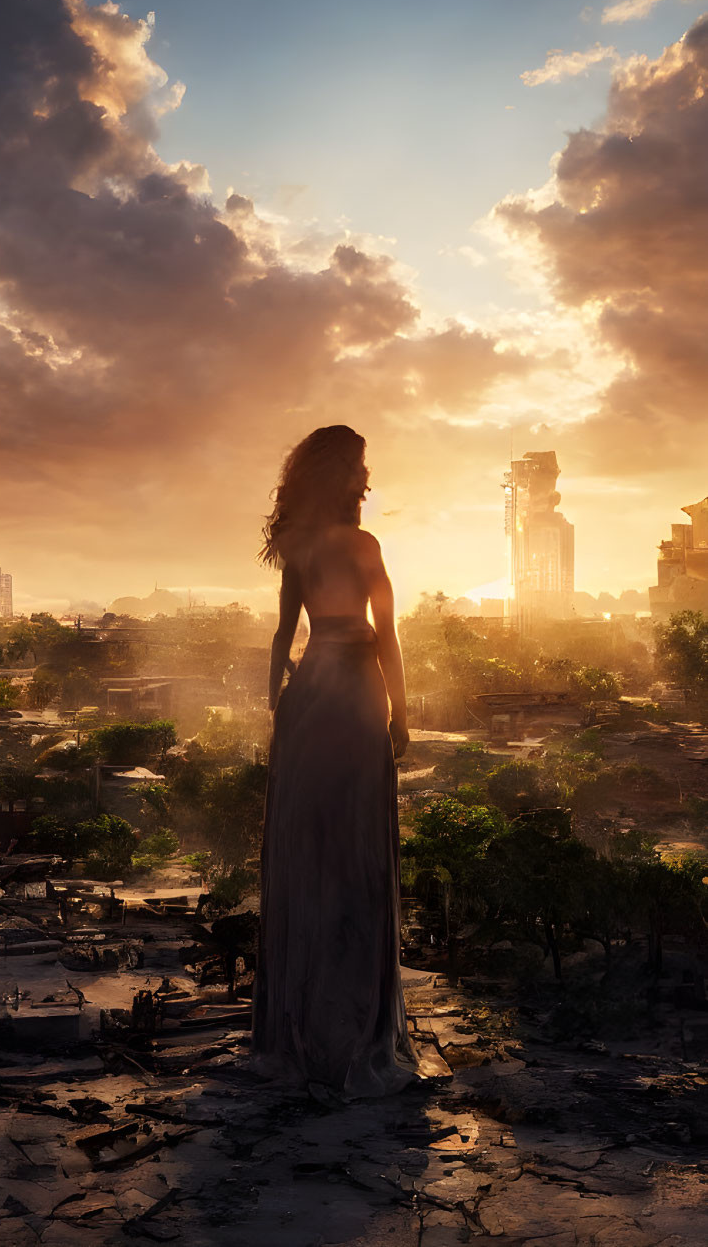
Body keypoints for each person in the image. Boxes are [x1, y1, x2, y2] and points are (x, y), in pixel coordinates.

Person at [251, 424, 420, 1099]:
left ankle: (305, 1030)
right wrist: (401, 716)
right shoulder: (363, 545)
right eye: (358, 467)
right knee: (354, 856)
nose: (366, 479)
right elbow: (385, 636)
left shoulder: (297, 548)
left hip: (306, 700)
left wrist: (276, 708)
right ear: (338, 474)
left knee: (309, 853)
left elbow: (279, 638)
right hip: (351, 695)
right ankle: (350, 1033)